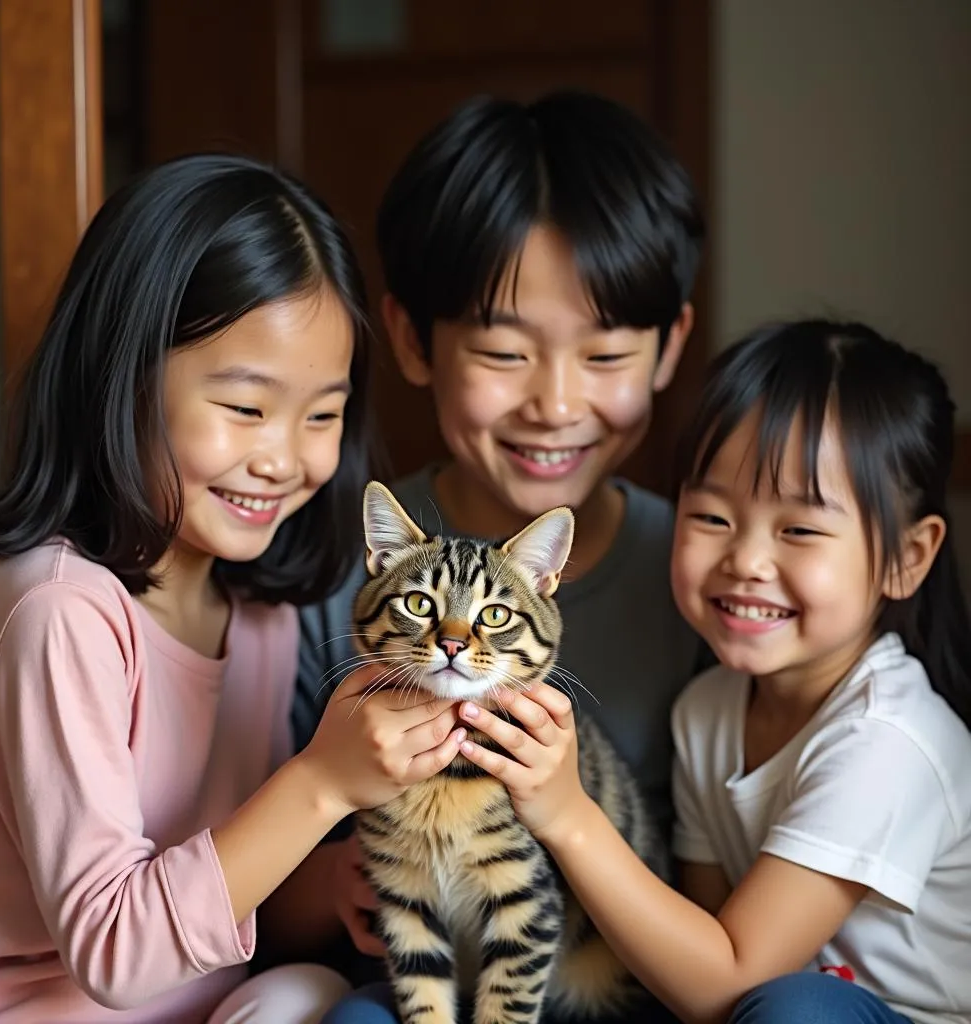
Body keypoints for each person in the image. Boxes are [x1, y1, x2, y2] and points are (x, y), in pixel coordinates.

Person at [0, 154, 468, 1024]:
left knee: (324, 993)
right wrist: (321, 784)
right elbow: (116, 951)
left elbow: (232, 895)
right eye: (245, 407)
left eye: (323, 415)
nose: (283, 456)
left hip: (216, 1005)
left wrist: (335, 878)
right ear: (125, 378)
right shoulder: (55, 611)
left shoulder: (262, 614)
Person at [289, 93, 710, 1009]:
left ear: (671, 344)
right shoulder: (331, 567)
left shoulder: (717, 579)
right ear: (409, 339)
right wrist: (336, 882)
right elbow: (256, 891)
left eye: (604, 357)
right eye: (504, 353)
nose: (555, 405)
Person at [451, 320, 971, 1023]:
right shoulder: (709, 708)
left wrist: (568, 814)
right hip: (739, 1004)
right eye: (713, 517)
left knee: (801, 1008)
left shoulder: (887, 741)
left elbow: (721, 984)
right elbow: (684, 948)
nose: (746, 562)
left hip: (864, 1015)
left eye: (800, 529)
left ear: (907, 558)